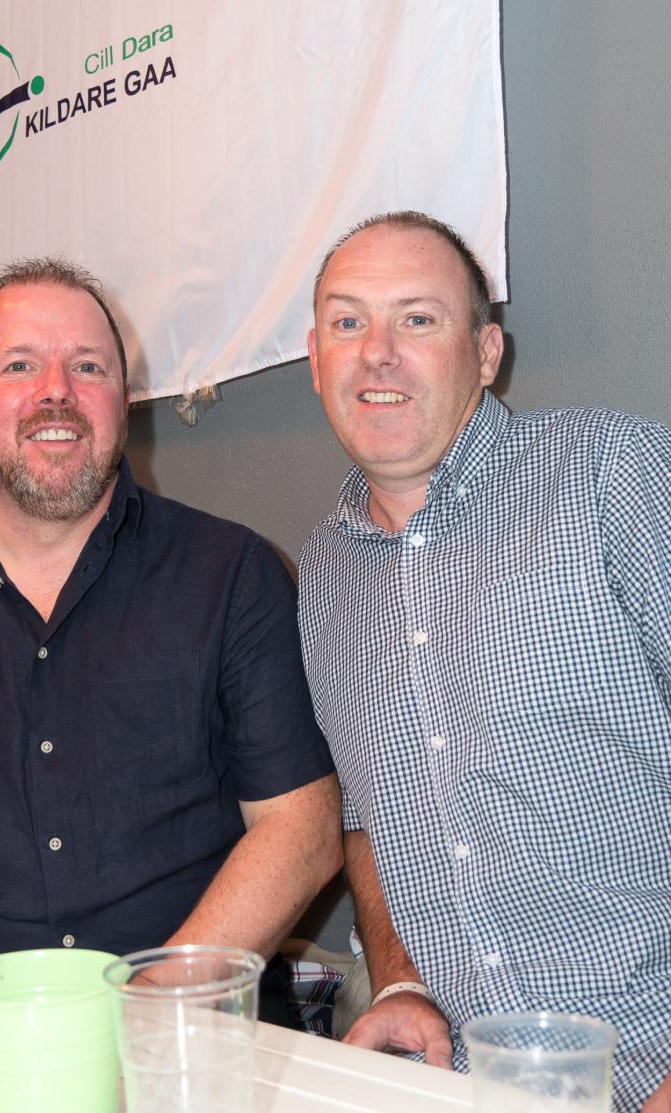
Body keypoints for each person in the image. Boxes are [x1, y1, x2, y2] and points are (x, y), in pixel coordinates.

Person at [0, 259, 342, 1014]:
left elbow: (300, 828)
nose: (56, 391)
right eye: (19, 365)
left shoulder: (233, 574)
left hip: (190, 1039)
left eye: (88, 366)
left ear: (124, 401)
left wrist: (152, 1004)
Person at [298, 211, 671, 1110]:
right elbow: (369, 816)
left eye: (417, 318)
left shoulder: (609, 473)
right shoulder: (323, 570)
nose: (377, 352)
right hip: (463, 1084)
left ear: (487, 351)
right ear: (314, 359)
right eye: (348, 321)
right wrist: (399, 976)